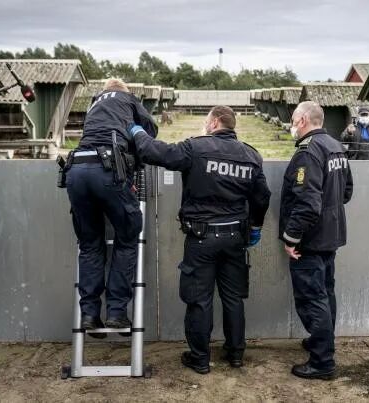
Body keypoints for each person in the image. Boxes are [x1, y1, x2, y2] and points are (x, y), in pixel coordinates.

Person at [129, 105, 271, 374]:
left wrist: (136, 131)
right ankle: (236, 354)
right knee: (233, 298)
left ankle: (200, 359)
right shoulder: (251, 155)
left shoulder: (195, 148)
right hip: (235, 238)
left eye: (207, 122)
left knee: (199, 299)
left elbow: (154, 152)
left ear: (214, 122)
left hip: (201, 238)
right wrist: (255, 226)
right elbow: (262, 196)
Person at [64, 78, 158, 338]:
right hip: (108, 171)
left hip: (76, 171)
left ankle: (89, 315)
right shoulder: (129, 100)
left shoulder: (94, 103)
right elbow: (149, 131)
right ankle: (116, 312)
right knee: (127, 239)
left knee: (90, 245)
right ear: (124, 91)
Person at [280, 101, 353, 379]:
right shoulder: (335, 146)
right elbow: (346, 191)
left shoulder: (308, 152)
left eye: (293, 120)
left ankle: (322, 362)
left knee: (312, 298)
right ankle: (322, 341)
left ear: (302, 120)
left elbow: (308, 203)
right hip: (330, 234)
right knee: (326, 292)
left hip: (310, 240)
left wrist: (291, 238)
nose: (291, 125)